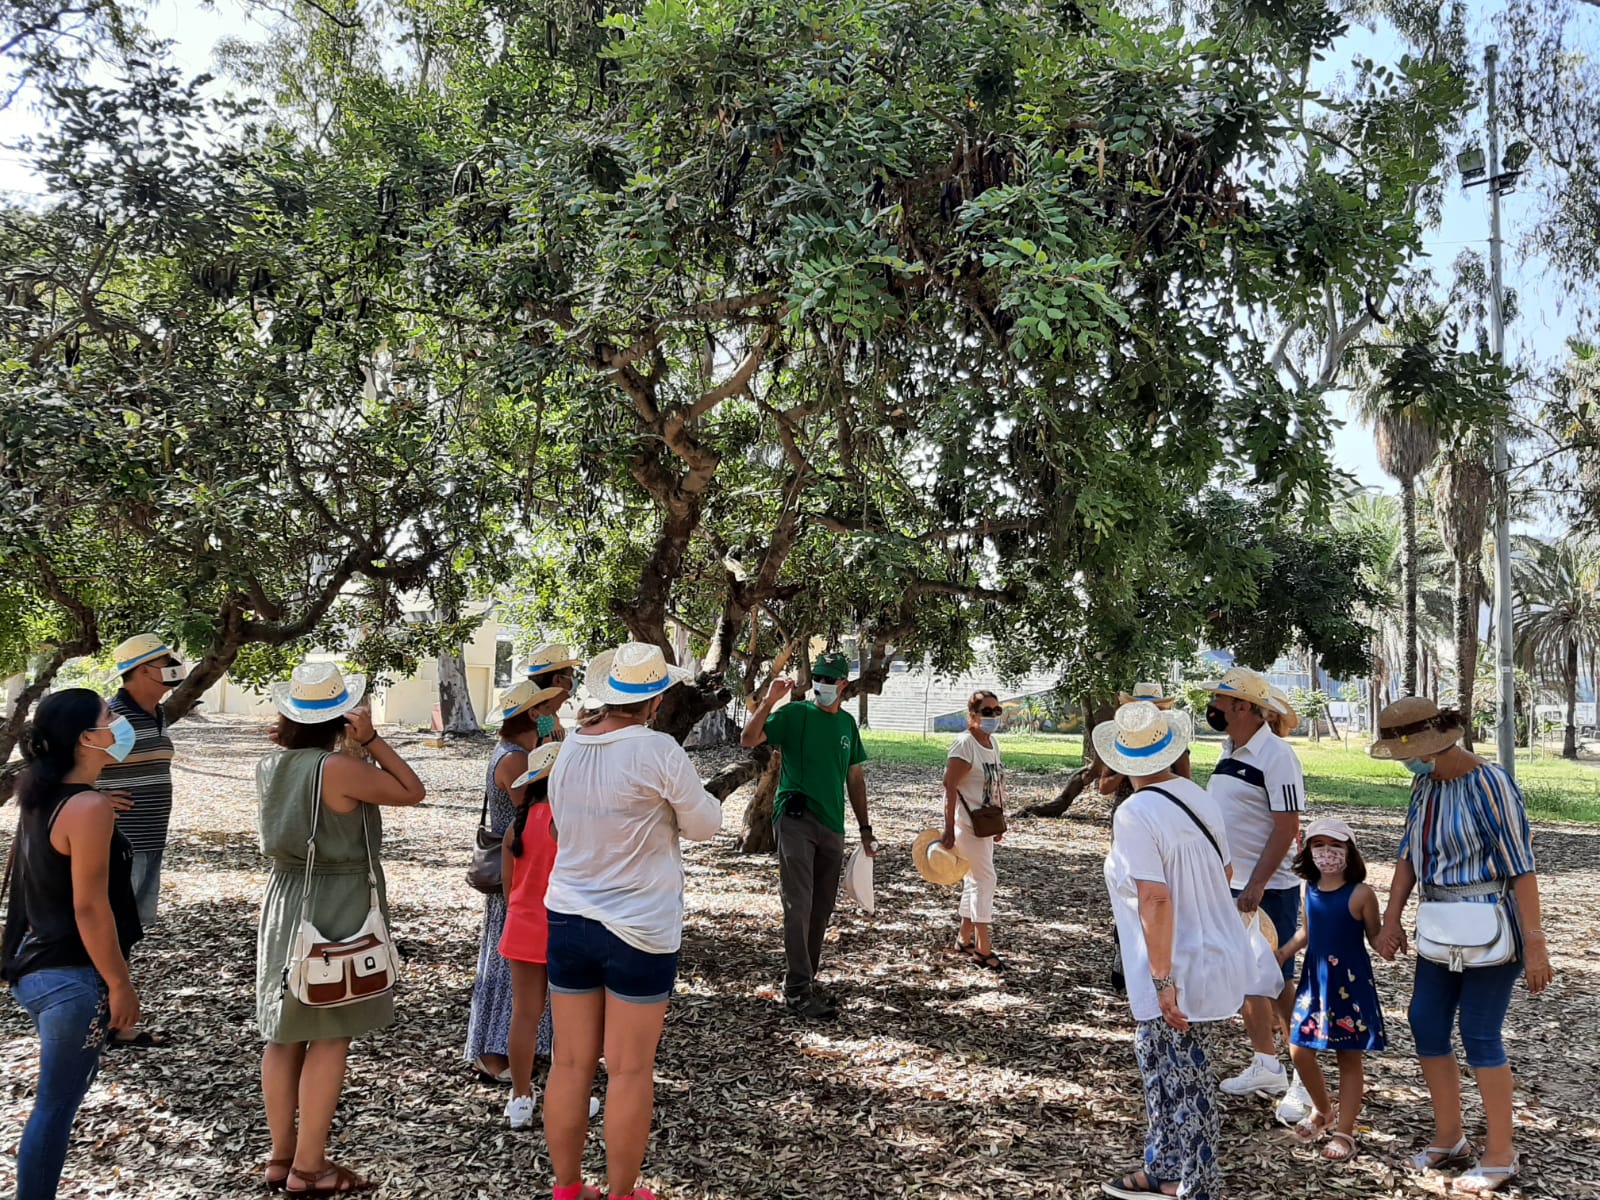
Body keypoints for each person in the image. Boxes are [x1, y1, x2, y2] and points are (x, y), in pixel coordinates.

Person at [542, 642, 722, 1200]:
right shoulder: (660, 752)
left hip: (568, 916)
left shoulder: (569, 747)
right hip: (640, 926)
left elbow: (559, 830)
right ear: (658, 697)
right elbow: (705, 825)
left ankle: (568, 1188)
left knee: (570, 1064)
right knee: (629, 1071)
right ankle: (621, 1193)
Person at [1370, 697, 1553, 1196]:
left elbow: (1522, 866)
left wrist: (1535, 944)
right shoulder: (1423, 784)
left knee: (1479, 1032)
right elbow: (1408, 855)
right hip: (1440, 921)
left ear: (1431, 743)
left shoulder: (1490, 783)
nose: (1406, 760)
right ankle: (1450, 1137)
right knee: (1425, 1019)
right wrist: (1391, 919)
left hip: (1491, 920)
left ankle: (1501, 1153)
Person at [255, 662, 425, 1195]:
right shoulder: (338, 769)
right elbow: (412, 790)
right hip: (336, 898)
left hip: (285, 899)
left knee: (283, 1035)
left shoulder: (271, 765)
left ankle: (281, 1157)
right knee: (330, 1034)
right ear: (339, 715)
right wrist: (373, 740)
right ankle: (311, 1168)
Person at [1097, 701, 1255, 1200]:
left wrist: (1164, 980)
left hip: (1174, 963)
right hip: (1206, 950)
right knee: (1160, 1067)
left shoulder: (1135, 812)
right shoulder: (1196, 795)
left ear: (1122, 759)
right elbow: (1225, 872)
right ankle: (1163, 1167)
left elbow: (1155, 896)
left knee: (1186, 1079)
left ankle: (1198, 1185)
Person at [2, 689, 143, 1200]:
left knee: (62, 1099)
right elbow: (90, 907)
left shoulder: (48, 792)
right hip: (71, 981)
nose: (119, 724)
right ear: (88, 737)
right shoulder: (86, 806)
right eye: (110, 717)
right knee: (56, 1106)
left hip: (39, 968)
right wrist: (119, 984)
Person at [740, 651, 878, 1021]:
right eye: (817, 677)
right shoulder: (796, 714)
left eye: (829, 680)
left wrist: (866, 830)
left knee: (821, 907)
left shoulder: (848, 725)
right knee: (797, 903)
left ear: (843, 685)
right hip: (796, 818)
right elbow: (749, 738)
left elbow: (855, 779)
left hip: (833, 825)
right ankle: (797, 990)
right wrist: (770, 700)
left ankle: (808, 982)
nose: (822, 685)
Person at [1198, 666, 1307, 1105]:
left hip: (1267, 890)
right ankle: (1266, 1065)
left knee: (1277, 980)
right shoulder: (1231, 749)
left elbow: (1287, 826)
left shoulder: (1277, 756)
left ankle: (1304, 1075)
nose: (1213, 708)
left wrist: (1258, 885)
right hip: (1233, 885)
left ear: (1242, 706)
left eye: (1220, 700)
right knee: (1248, 979)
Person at [465, 680, 562, 1084]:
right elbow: (535, 809)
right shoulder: (515, 760)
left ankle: (518, 1056)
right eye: (544, 709)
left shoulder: (516, 752)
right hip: (522, 877)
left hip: (519, 875)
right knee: (509, 977)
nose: (552, 712)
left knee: (512, 977)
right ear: (532, 716)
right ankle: (493, 1052)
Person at [1275, 818, 1386, 1162]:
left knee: (1348, 1058)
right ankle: (1323, 1110)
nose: (1327, 854)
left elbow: (1376, 938)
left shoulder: (1361, 894)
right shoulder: (1309, 890)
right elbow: (1306, 933)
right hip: (1315, 983)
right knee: (1299, 1049)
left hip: (1349, 986)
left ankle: (1345, 1132)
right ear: (1308, 852)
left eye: (1336, 847)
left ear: (1350, 853)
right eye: (1318, 846)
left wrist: (1392, 938)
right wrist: (1279, 954)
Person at [100, 635, 184, 933]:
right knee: (109, 927)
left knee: (130, 929)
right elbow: (65, 768)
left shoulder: (158, 713)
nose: (175, 668)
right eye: (166, 663)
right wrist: (93, 797)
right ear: (144, 670)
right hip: (118, 845)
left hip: (151, 841)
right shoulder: (111, 720)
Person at [499, 741, 563, 1129]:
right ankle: (565, 1092)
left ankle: (520, 1098)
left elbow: (509, 888)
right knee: (568, 1018)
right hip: (563, 927)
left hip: (521, 926)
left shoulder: (516, 825)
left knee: (524, 1015)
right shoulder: (568, 822)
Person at [941, 690, 1007, 969]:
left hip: (985, 822)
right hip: (966, 825)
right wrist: (948, 828)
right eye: (986, 711)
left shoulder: (991, 743)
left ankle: (964, 938)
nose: (992, 716)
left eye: (996, 710)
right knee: (985, 879)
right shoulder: (965, 745)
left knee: (974, 879)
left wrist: (1000, 820)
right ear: (973, 715)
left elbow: (994, 785)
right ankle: (983, 946)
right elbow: (949, 786)